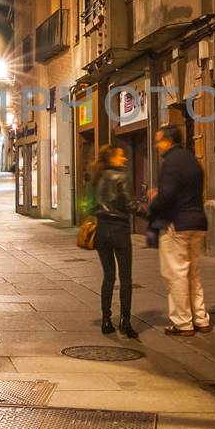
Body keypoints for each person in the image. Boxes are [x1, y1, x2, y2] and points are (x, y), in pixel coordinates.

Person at [147, 125, 210, 335]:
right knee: (193, 272)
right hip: (197, 222)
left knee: (175, 274)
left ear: (169, 141)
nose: (157, 146)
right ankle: (200, 318)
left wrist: (153, 201)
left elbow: (168, 196)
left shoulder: (170, 163)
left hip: (177, 223)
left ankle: (183, 322)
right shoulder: (192, 160)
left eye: (159, 141)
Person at [88, 145, 142, 339]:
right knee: (125, 278)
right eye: (121, 156)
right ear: (112, 158)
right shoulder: (121, 177)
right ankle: (125, 322)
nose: (125, 159)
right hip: (119, 231)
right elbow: (131, 205)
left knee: (108, 276)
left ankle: (106, 320)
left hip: (102, 232)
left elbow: (91, 206)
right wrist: (151, 215)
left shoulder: (97, 177)